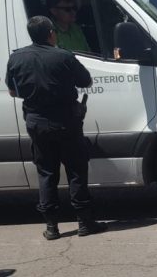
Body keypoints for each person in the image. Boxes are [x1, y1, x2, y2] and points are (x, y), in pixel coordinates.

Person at [7, 16, 107, 240]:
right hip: (66, 121)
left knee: (46, 172)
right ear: (51, 33)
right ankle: (84, 222)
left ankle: (51, 227)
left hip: (36, 122)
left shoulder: (16, 58)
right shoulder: (63, 56)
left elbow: (13, 91)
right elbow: (86, 81)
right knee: (76, 170)